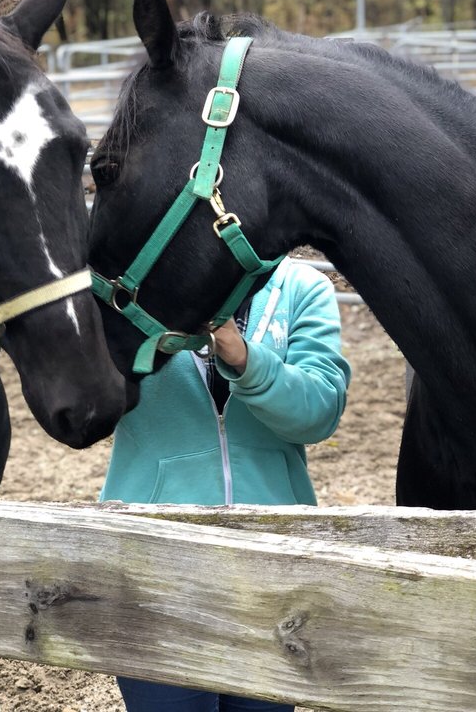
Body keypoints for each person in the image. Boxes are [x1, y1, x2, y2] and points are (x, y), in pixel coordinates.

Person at [101, 256, 351, 712]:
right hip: (151, 571)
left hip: (274, 574)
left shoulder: (301, 287)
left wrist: (244, 358)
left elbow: (319, 411)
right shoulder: (128, 283)